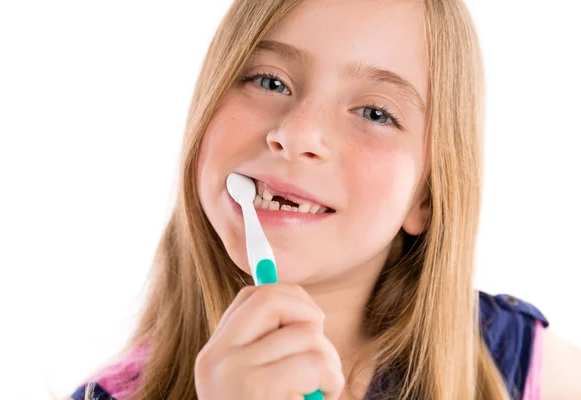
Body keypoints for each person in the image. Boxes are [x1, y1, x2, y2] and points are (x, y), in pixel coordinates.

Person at [70, 0, 581, 399]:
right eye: (270, 80)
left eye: (376, 113)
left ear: (425, 198)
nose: (297, 134)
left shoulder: (519, 366)